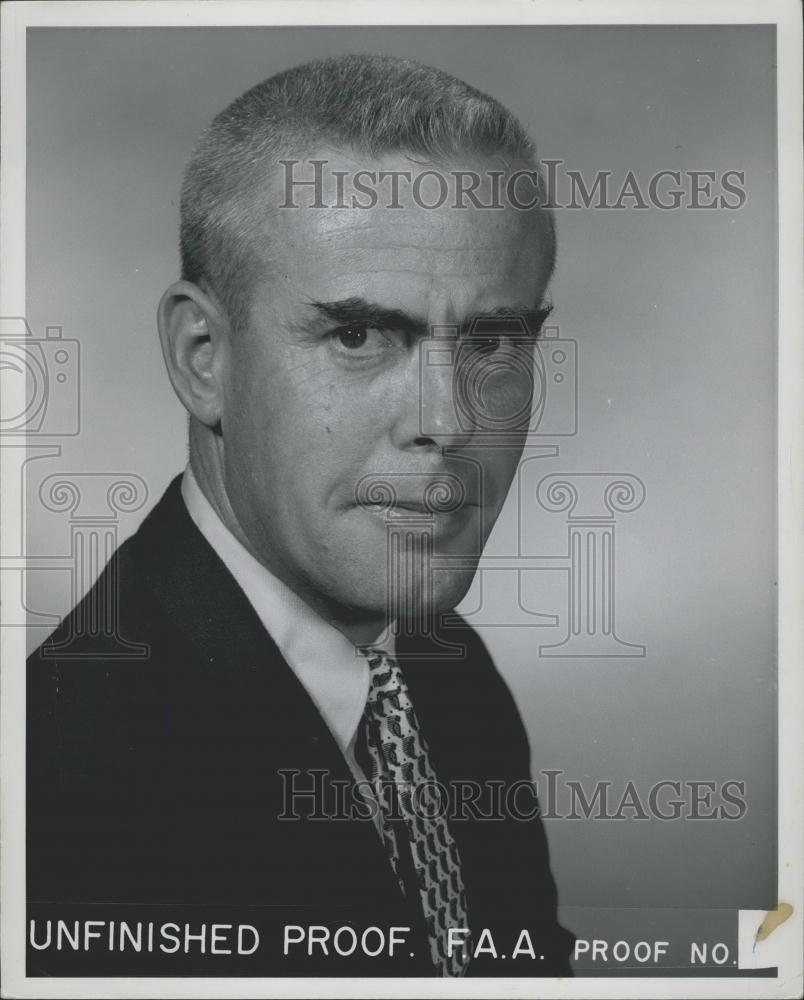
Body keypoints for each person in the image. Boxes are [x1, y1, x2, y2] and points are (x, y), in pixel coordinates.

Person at [27, 53, 574, 978]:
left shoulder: (456, 683)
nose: (447, 421)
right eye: (359, 335)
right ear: (205, 357)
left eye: (492, 341)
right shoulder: (61, 780)